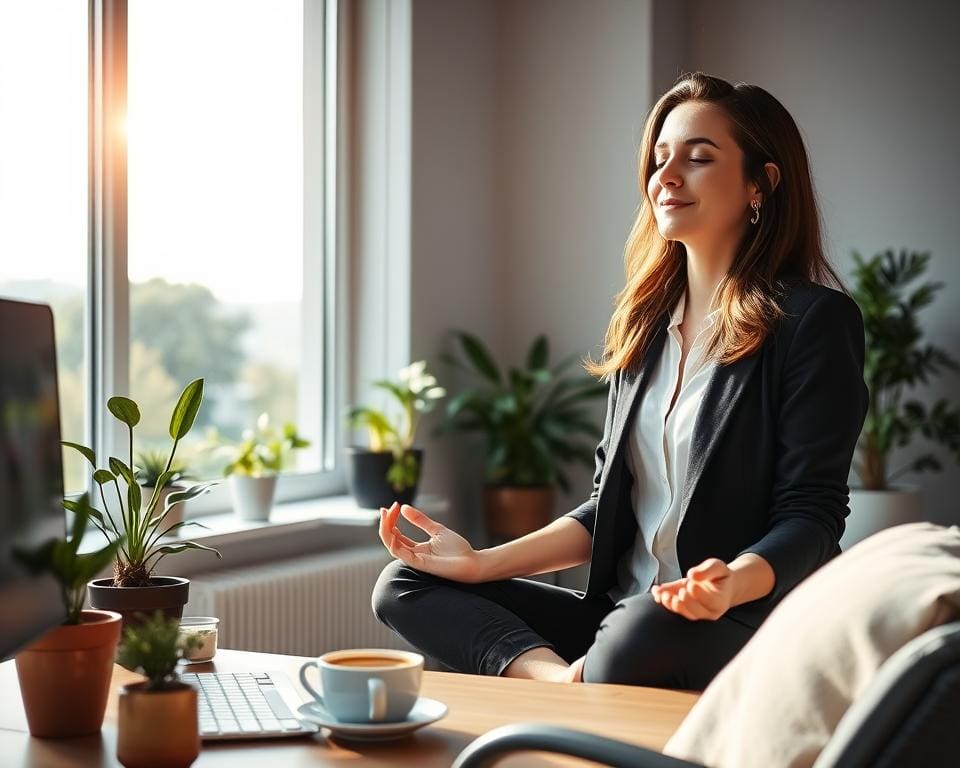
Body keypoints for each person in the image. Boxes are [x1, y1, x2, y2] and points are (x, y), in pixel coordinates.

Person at [370, 71, 869, 690]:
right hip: (620, 621)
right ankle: (561, 686)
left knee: (637, 628)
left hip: (736, 621)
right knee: (406, 584)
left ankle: (582, 685)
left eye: (699, 157)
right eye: (660, 159)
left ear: (760, 184)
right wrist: (479, 562)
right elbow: (608, 506)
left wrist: (730, 583)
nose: (668, 176)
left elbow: (812, 515)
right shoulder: (644, 322)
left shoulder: (812, 322)